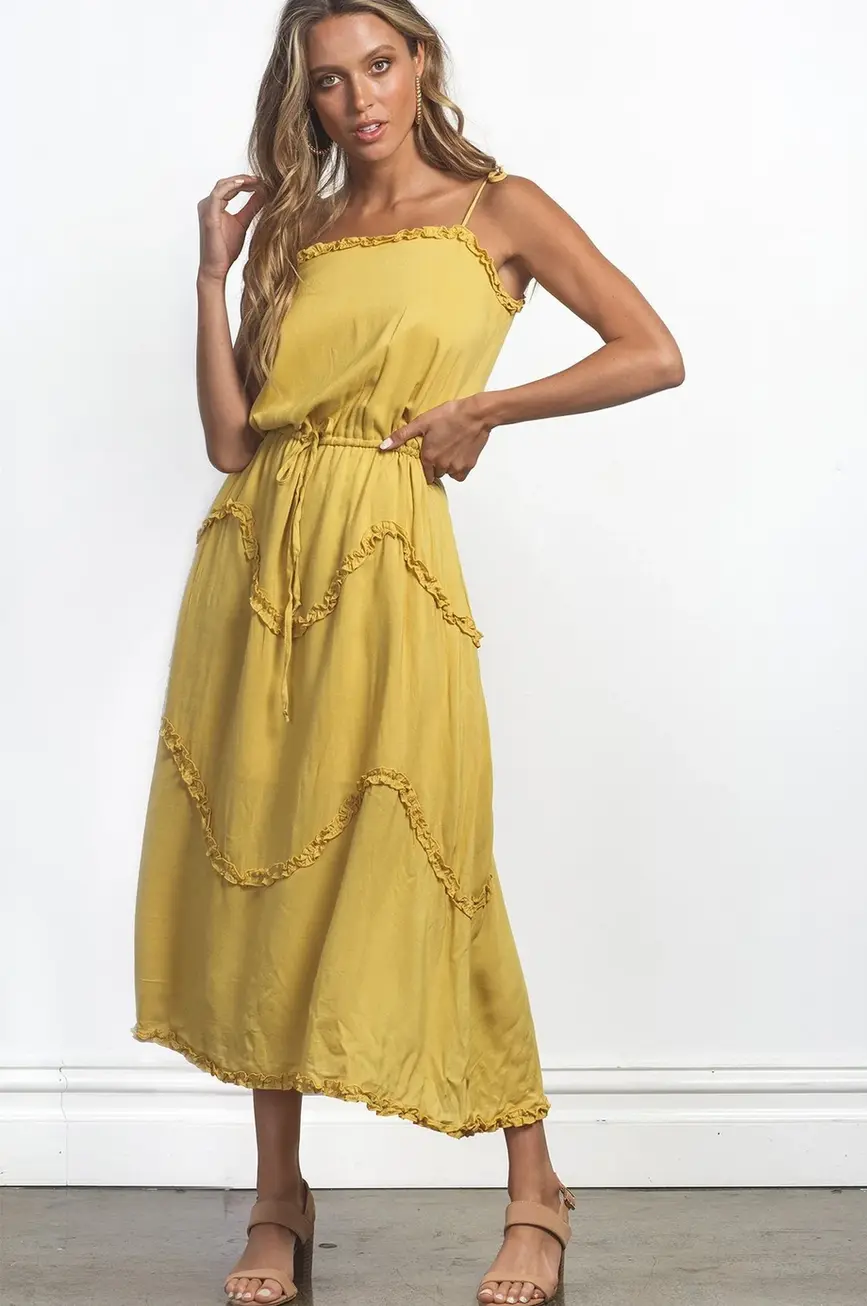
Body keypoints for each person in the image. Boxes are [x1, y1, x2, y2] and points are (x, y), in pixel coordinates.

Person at [132, 2, 684, 1304]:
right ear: (304, 97)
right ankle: (278, 1200)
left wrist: (489, 403)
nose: (360, 99)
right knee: (262, 865)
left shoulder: (501, 210)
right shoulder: (297, 228)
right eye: (330, 82)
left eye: (380, 65)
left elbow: (650, 350)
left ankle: (535, 1188)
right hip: (257, 561)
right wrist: (210, 273)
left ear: (421, 61)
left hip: (390, 557)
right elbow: (230, 439)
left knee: (440, 858)